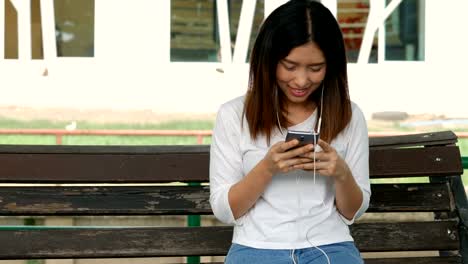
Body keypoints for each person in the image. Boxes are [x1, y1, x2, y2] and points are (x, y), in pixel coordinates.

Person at [209, 0, 370, 263]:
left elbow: (353, 212)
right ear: (268, 60)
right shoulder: (233, 115)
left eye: (315, 68)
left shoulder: (349, 116)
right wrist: (267, 168)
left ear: (332, 66)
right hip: (255, 247)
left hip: (331, 246)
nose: (301, 80)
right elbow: (225, 211)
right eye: (290, 66)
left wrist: (341, 173)